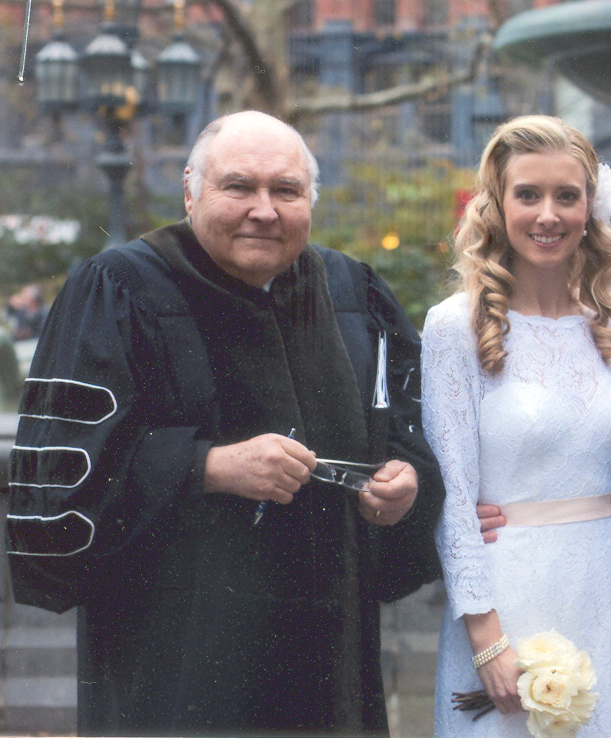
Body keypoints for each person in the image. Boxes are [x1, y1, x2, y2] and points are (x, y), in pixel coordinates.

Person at [5, 110, 444, 737]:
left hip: (330, 649)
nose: (264, 209)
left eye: (286, 190)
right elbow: (60, 466)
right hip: (175, 651)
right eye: (238, 186)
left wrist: (407, 482)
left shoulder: (350, 288)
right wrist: (208, 466)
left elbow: (411, 428)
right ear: (191, 190)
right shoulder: (122, 287)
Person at [422, 115, 611, 737]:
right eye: (528, 195)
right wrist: (486, 635)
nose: (548, 214)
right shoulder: (454, 328)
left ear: (590, 208)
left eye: (566, 196)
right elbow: (454, 496)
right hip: (506, 595)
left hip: (607, 586)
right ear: (498, 206)